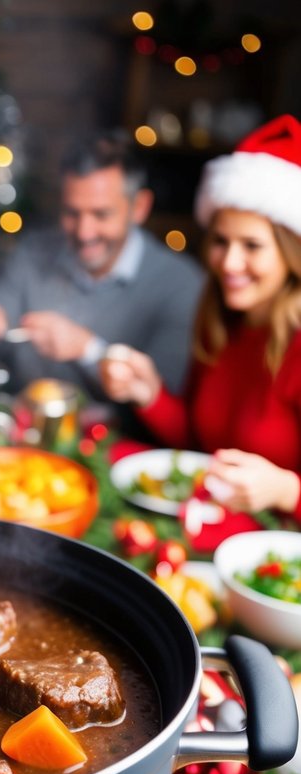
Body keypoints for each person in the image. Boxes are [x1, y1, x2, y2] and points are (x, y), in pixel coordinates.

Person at [99, 114, 301, 520]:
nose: (230, 261)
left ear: (291, 253)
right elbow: (200, 448)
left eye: (252, 246)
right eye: (221, 241)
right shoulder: (221, 321)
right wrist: (150, 394)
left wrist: (286, 490)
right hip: (202, 532)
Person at [0, 128, 203, 413]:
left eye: (101, 214)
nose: (84, 232)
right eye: (72, 213)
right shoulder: (33, 252)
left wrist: (87, 350)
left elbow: (163, 398)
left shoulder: (181, 283)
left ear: (139, 207)